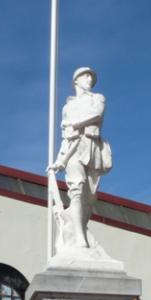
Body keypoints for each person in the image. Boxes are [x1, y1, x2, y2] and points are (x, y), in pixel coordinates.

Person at [48, 67, 112, 249]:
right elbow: (65, 137)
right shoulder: (67, 107)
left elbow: (96, 114)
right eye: (85, 76)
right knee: (77, 187)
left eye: (91, 77)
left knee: (89, 196)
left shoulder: (97, 98)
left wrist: (74, 124)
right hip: (73, 148)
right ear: (76, 80)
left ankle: (80, 226)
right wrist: (59, 161)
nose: (89, 80)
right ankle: (78, 236)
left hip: (92, 148)